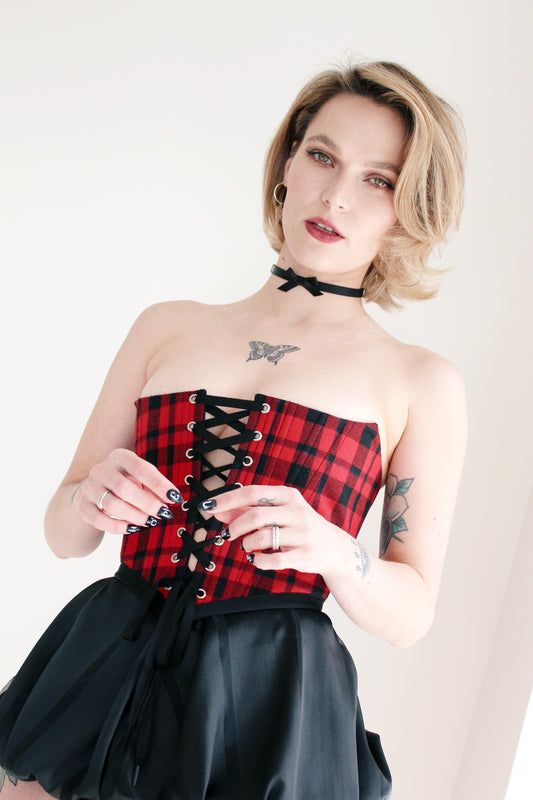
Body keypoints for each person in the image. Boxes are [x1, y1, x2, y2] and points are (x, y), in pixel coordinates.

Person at [0, 59, 467, 800]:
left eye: (377, 180)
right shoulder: (166, 327)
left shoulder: (419, 381)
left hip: (266, 701)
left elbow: (410, 614)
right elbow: (65, 534)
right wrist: (88, 497)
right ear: (287, 162)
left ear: (407, 211)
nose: (335, 196)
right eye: (322, 156)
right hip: (108, 657)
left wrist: (334, 550)